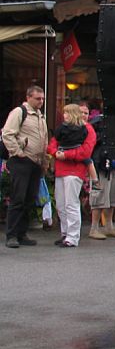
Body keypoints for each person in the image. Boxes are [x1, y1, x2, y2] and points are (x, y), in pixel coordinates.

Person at [2, 85, 48, 248]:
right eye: (37, 98)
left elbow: (44, 139)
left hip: (35, 162)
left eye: (42, 98)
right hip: (22, 161)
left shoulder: (40, 116)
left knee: (29, 199)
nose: (41, 101)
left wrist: (44, 161)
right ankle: (12, 235)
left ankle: (22, 233)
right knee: (18, 198)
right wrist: (17, 152)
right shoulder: (19, 112)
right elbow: (7, 133)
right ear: (28, 97)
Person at [47, 103, 96, 247]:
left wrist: (65, 154)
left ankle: (72, 237)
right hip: (61, 169)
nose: (64, 115)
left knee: (71, 203)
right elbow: (52, 144)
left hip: (75, 170)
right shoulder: (63, 128)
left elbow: (86, 152)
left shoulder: (88, 129)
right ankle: (65, 233)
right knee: (61, 204)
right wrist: (55, 152)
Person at [85, 107, 115, 240]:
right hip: (101, 164)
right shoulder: (98, 122)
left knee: (113, 197)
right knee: (99, 197)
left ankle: (109, 226)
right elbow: (92, 142)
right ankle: (94, 228)